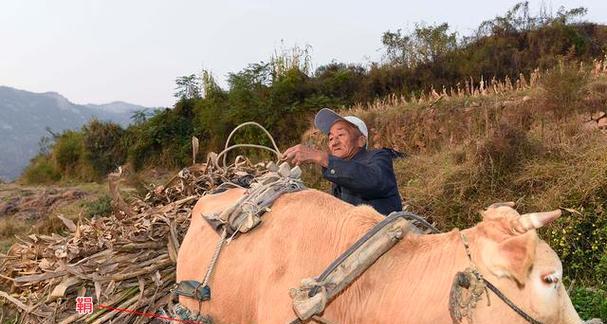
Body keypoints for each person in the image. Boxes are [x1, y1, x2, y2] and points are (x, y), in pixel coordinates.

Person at [283, 108, 403, 215]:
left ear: (361, 141)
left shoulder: (378, 156)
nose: (334, 143)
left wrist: (322, 158)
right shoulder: (338, 175)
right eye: (331, 138)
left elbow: (375, 181)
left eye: (341, 134)